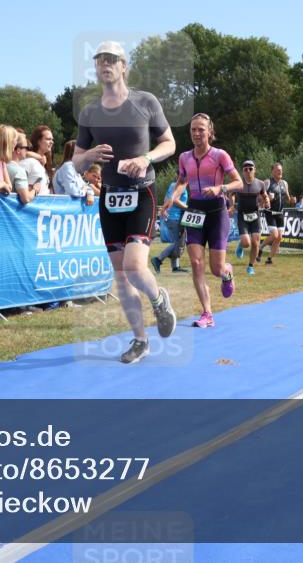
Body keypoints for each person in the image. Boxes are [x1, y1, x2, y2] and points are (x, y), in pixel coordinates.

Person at [72, 40, 177, 363]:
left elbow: (169, 143)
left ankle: (159, 299)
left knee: (134, 266)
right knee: (121, 276)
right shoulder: (90, 112)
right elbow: (75, 162)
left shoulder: (145, 102)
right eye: (100, 60)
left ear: (123, 66)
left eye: (111, 59)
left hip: (142, 192)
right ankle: (140, 340)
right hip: (110, 196)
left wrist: (146, 158)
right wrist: (89, 155)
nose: (105, 64)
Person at [163, 113, 241, 329]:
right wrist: (173, 198)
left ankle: (226, 272)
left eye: (201, 129)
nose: (196, 133)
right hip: (195, 212)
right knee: (197, 264)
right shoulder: (184, 157)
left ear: (209, 132)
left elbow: (239, 182)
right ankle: (207, 313)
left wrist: (220, 188)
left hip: (216, 212)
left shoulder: (219, 155)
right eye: (193, 130)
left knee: (216, 269)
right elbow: (182, 181)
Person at [232, 160, 268, 275]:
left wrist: (267, 201)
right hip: (242, 215)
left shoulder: (260, 184)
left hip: (255, 215)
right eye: (245, 169)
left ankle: (250, 266)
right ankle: (241, 245)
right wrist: (231, 206)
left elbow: (265, 195)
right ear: (242, 171)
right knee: (246, 243)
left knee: (256, 242)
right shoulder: (238, 183)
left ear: (254, 170)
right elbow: (232, 195)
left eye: (250, 169)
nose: (248, 171)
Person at [151, 179, 188, 274]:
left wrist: (165, 210)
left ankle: (175, 266)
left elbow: (165, 199)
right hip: (175, 218)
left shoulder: (172, 185)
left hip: (170, 216)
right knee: (178, 243)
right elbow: (175, 200)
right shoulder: (181, 186)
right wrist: (188, 208)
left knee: (176, 241)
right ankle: (158, 259)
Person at [262, 162, 293, 265]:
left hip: (280, 213)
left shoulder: (285, 183)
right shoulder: (267, 182)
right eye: (278, 170)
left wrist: (292, 200)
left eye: (281, 170)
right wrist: (267, 198)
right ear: (273, 172)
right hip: (270, 212)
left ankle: (269, 259)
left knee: (279, 237)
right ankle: (260, 248)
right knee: (274, 235)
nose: (280, 172)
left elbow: (288, 198)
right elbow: (259, 197)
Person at [52, 139, 95, 204]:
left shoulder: (74, 168)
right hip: (63, 206)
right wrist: (85, 191)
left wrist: (90, 193)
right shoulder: (67, 166)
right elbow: (73, 192)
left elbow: (86, 186)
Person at [7, 133, 42, 204]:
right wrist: (35, 190)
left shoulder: (1, 165)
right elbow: (26, 198)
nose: (27, 151)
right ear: (18, 150)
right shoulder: (19, 171)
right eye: (26, 148)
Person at [28, 125, 56, 192]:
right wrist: (40, 157)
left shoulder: (46, 161)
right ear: (38, 141)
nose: (52, 142)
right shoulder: (29, 161)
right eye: (48, 139)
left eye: (52, 139)